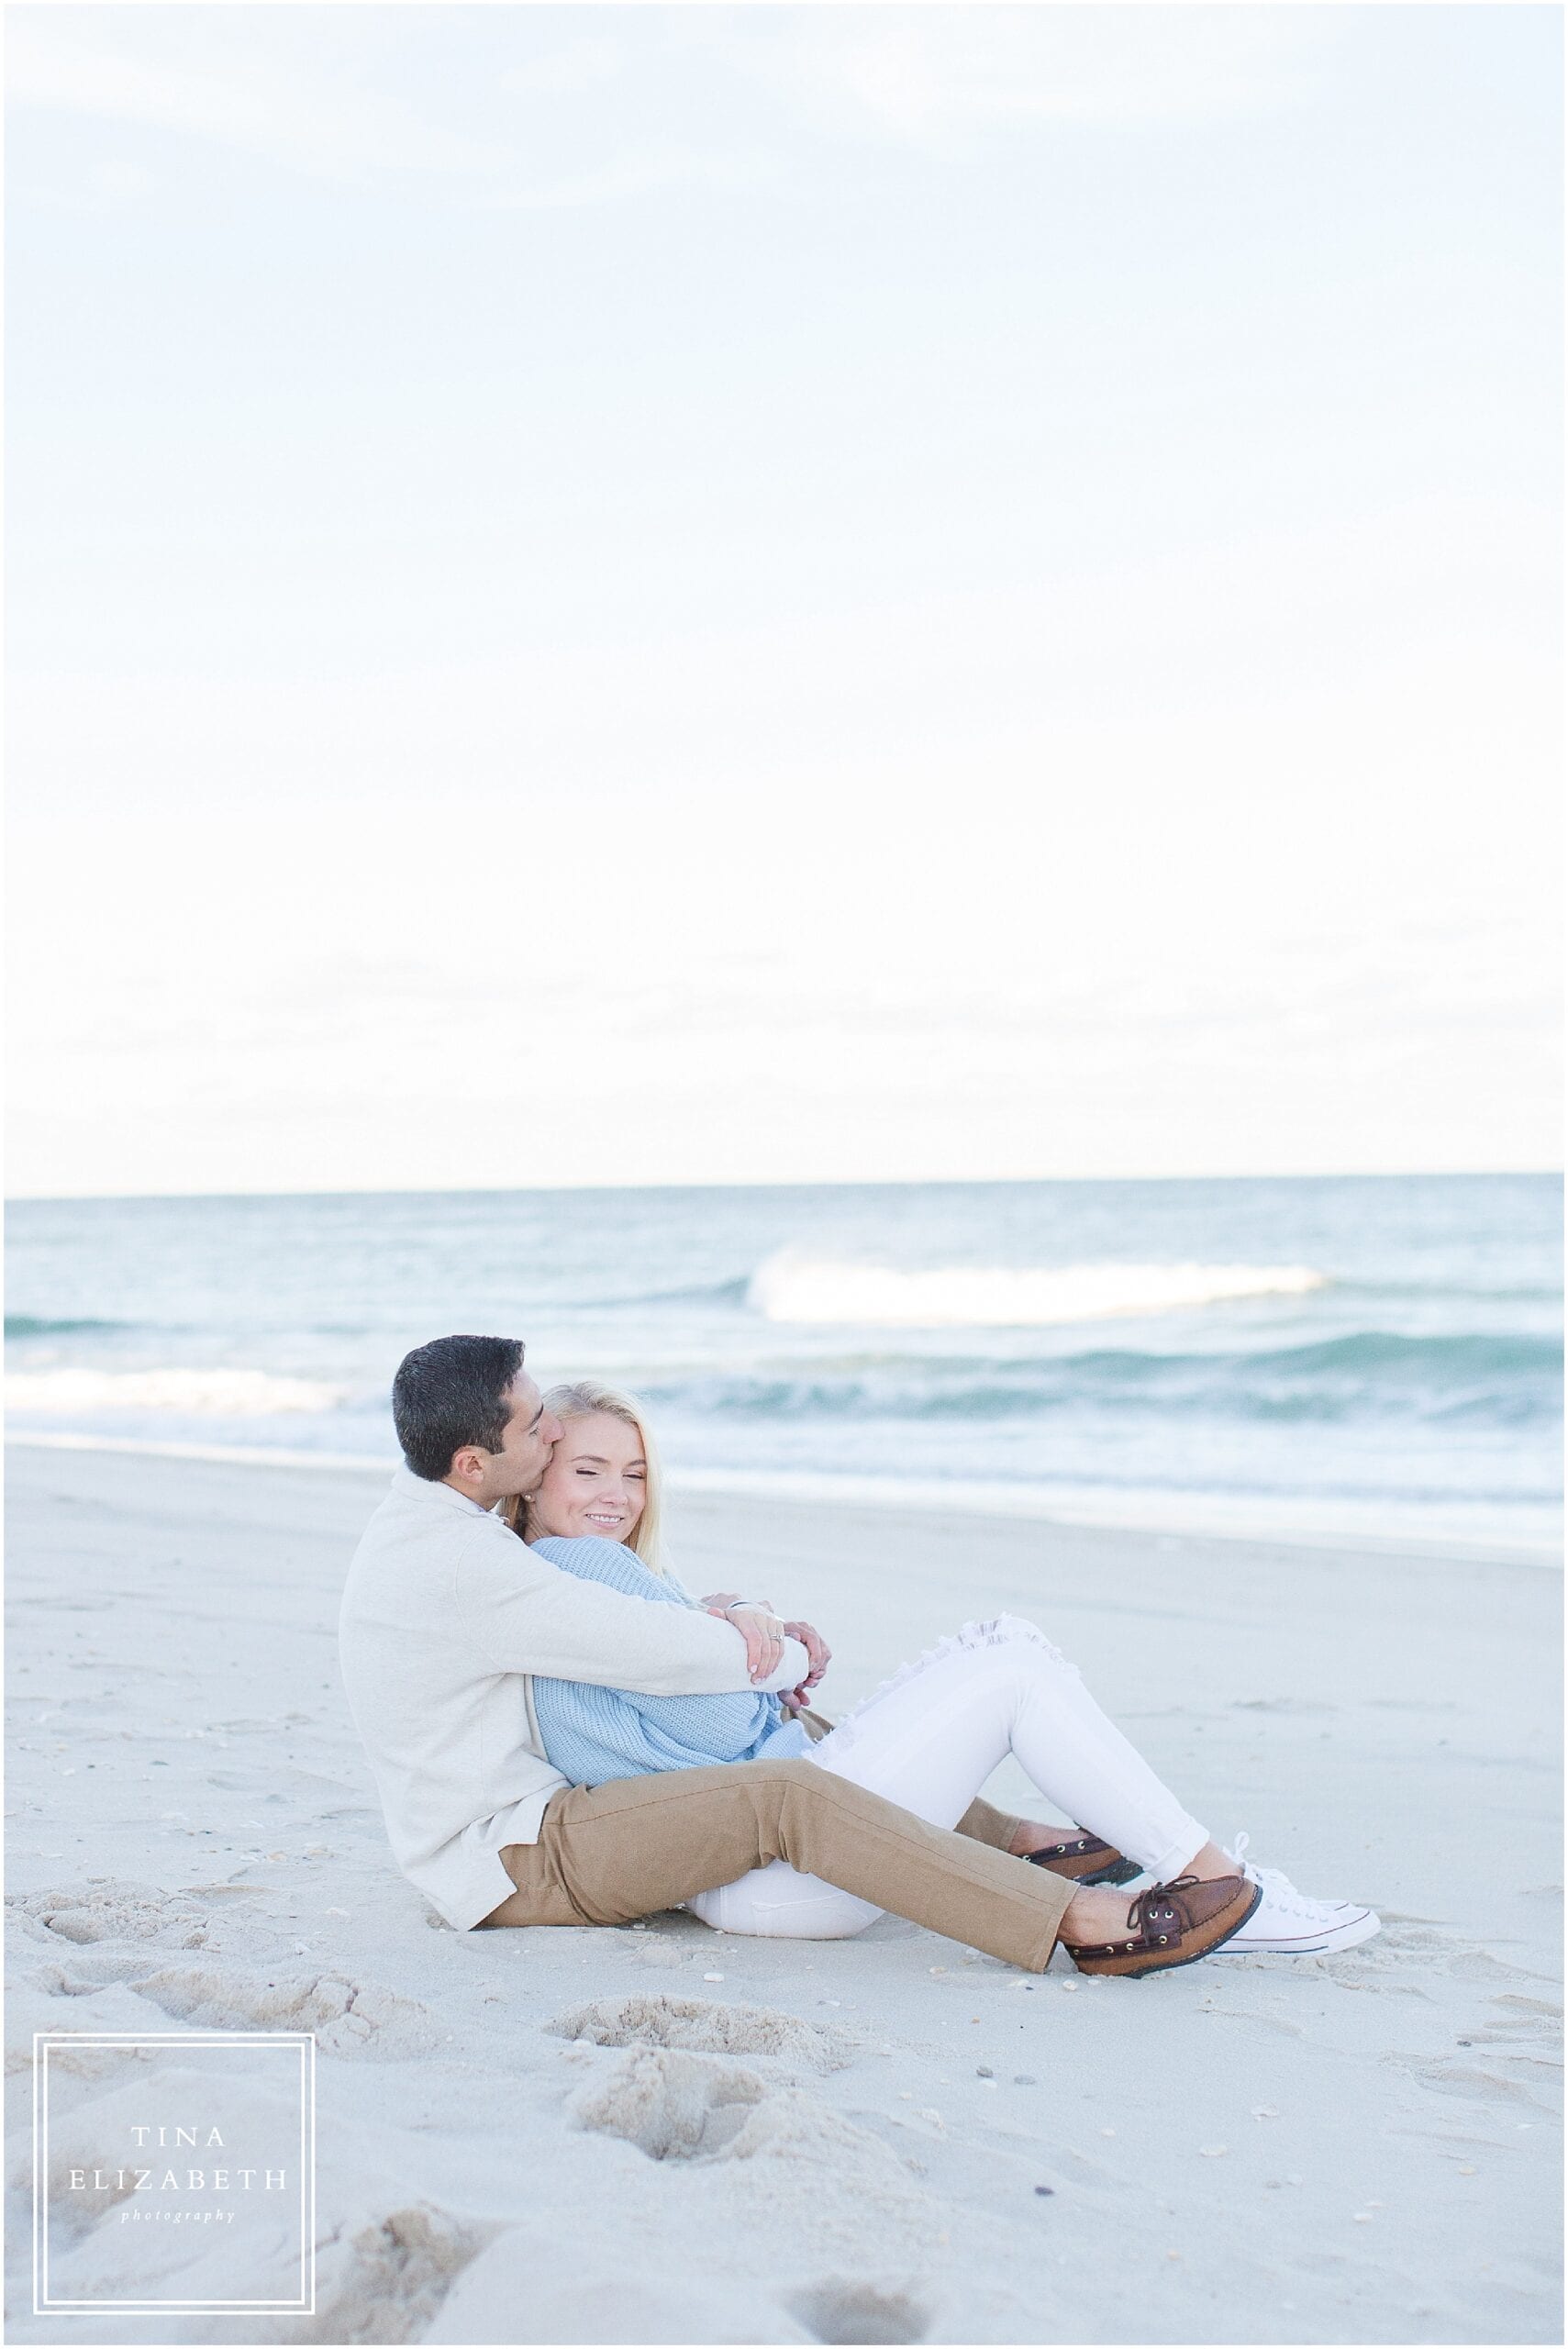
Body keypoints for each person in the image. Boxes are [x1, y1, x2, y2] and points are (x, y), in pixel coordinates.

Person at [339, 1337, 1299, 1980]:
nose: (550, 1433)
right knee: (784, 1786)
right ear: (474, 1461)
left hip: (522, 1830)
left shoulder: (438, 1515)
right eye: (537, 1428)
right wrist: (772, 1649)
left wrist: (727, 1619)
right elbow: (670, 1659)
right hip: (508, 1857)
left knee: (786, 1766)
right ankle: (1075, 1922)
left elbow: (641, 1639)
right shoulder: (472, 1564)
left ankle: (1007, 1835)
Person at [517, 1378, 1380, 1956]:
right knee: (1007, 1659)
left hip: (760, 1875)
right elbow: (713, 1721)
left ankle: (1188, 1869)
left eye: (632, 1473)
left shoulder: (573, 1583)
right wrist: (761, 1654)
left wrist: (731, 1632)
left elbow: (684, 1709)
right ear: (531, 1479)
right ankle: (1218, 1886)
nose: (617, 1495)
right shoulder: (579, 1568)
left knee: (1004, 1661)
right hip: (775, 1870)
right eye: (587, 1470)